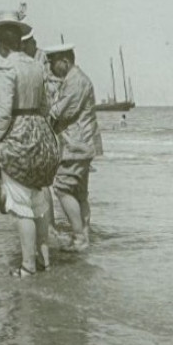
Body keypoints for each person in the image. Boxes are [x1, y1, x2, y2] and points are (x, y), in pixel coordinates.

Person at [0, 19, 61, 277]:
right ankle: (44, 260)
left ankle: (28, 266)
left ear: (0, 44)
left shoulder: (4, 67)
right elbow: (45, 106)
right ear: (19, 40)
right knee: (38, 200)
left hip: (17, 134)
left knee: (21, 205)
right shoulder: (37, 65)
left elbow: (4, 113)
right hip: (41, 133)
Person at [45, 44, 103, 251]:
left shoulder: (76, 81)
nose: (50, 67)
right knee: (80, 193)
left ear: (65, 61)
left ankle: (79, 237)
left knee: (61, 189)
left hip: (75, 145)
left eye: (53, 62)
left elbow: (61, 112)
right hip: (82, 144)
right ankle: (84, 236)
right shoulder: (74, 79)